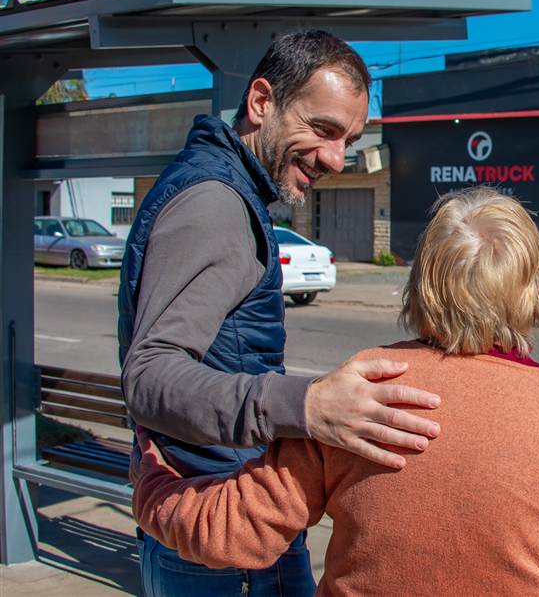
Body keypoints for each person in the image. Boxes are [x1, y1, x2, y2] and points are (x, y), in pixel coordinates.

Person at [129, 187, 539, 596]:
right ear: (533, 292)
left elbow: (232, 533)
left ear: (422, 284)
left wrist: (151, 479)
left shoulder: (361, 388)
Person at [118, 30, 441, 596]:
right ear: (261, 102)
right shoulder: (216, 203)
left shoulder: (228, 190)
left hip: (225, 524)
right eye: (323, 130)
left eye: (350, 139)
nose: (337, 159)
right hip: (220, 535)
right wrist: (309, 405)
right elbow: (150, 376)